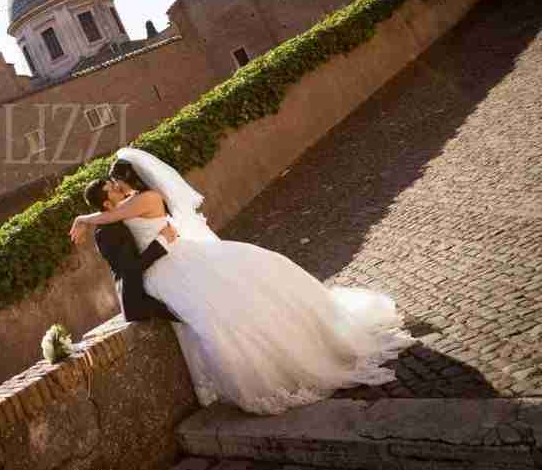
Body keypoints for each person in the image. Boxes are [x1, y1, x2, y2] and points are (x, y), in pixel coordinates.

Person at [70, 148, 415, 415]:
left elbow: (112, 215)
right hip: (169, 264)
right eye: (112, 186)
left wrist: (82, 217)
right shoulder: (133, 201)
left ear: (130, 179)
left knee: (224, 312)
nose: (115, 187)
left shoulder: (145, 199)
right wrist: (93, 217)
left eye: (116, 182)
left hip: (174, 262)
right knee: (218, 315)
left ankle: (278, 365)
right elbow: (115, 217)